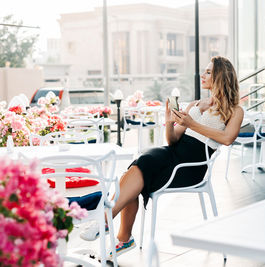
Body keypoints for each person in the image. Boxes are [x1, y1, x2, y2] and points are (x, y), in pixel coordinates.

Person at [80, 56, 244, 256]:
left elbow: (227, 139)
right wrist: (168, 122)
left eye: (209, 72)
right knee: (137, 169)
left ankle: (112, 228)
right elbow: (173, 140)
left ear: (221, 76)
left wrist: (193, 124)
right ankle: (113, 230)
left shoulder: (235, 111)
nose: (203, 75)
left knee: (139, 171)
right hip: (172, 154)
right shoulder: (196, 105)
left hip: (191, 167)